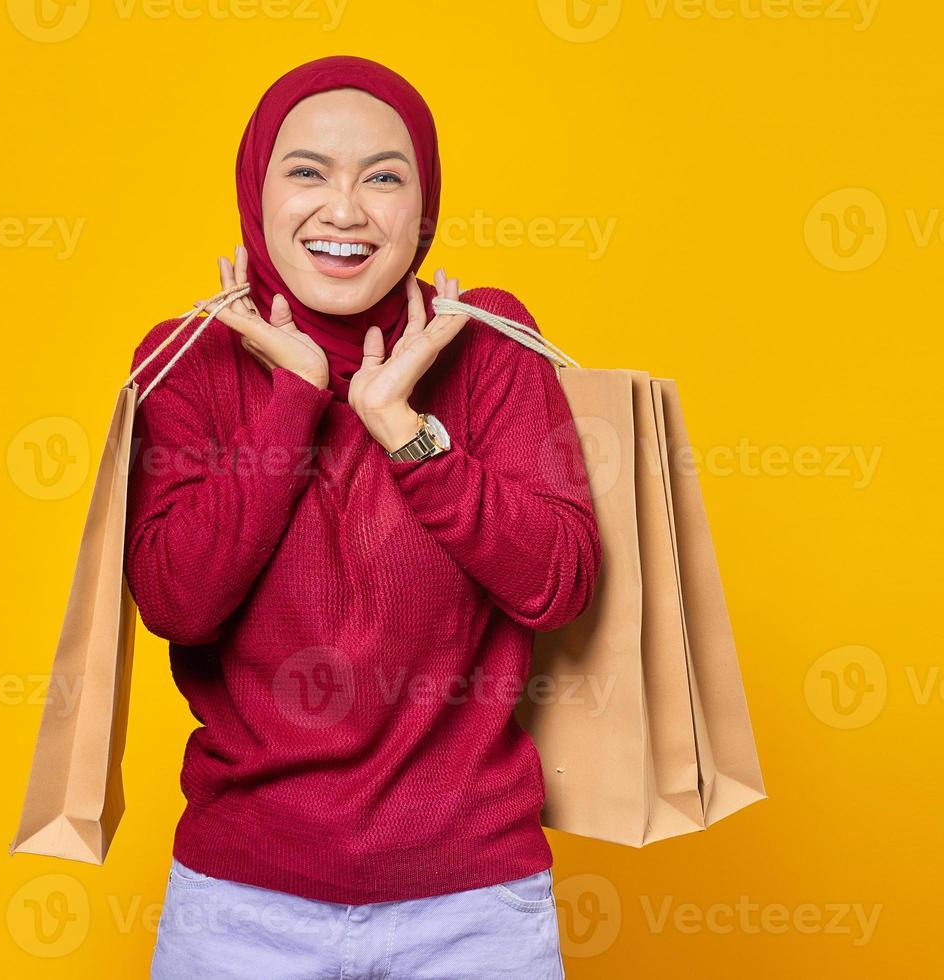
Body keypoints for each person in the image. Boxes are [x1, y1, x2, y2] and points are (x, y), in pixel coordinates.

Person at [125, 54, 602, 979]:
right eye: (308, 172)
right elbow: (178, 603)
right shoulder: (189, 358)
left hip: (472, 908)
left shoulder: (485, 340)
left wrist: (404, 428)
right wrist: (293, 397)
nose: (344, 209)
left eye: (383, 176)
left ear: (422, 208)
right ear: (253, 192)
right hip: (240, 910)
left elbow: (560, 585)